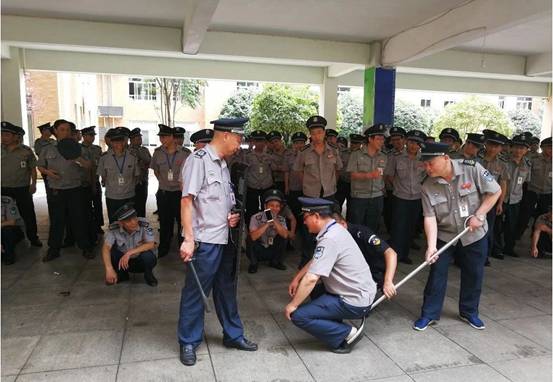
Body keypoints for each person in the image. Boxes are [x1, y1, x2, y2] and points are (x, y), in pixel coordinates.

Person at [178, 117, 258, 367]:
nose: (239, 143)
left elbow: (218, 200)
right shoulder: (198, 161)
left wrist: (231, 215)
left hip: (225, 238)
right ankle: (189, 341)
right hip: (205, 240)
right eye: (238, 138)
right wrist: (188, 239)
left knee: (226, 288)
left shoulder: (223, 164)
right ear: (225, 135)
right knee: (196, 292)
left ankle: (233, 335)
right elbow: (187, 201)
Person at [413, 142, 501, 331]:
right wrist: (430, 247)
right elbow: (429, 218)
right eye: (424, 164)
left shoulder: (472, 169)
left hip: (474, 234)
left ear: (445, 158)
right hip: (445, 235)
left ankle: (469, 312)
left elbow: (495, 192)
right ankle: (429, 314)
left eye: (431, 163)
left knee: (474, 273)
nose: (427, 168)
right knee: (437, 273)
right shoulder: (427, 185)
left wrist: (480, 214)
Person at [286, 197, 378, 353]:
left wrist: (293, 305)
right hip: (360, 292)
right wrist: (297, 278)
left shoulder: (329, 239)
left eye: (306, 218)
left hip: (354, 300)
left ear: (316, 216)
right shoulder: (335, 229)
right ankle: (334, 321)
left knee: (299, 315)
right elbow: (317, 260)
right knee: (313, 292)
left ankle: (348, 333)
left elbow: (312, 278)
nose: (304, 222)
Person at [37, 119, 94, 261]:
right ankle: (53, 249)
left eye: (68, 130)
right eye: (62, 129)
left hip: (75, 189)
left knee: (79, 219)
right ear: (55, 131)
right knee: (57, 220)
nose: (66, 132)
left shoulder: (79, 148)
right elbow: (40, 166)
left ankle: (85, 247)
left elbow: (88, 166)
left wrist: (78, 158)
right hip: (56, 190)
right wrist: (48, 173)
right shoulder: (48, 149)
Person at [293, 115, 342, 267]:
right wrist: (309, 185)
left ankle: (328, 259)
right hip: (310, 196)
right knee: (309, 228)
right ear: (310, 134)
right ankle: (307, 259)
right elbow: (299, 171)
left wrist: (331, 184)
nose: (316, 136)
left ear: (324, 132)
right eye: (313, 133)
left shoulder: (334, 150)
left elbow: (337, 169)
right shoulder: (304, 152)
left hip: (329, 194)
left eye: (319, 132)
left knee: (329, 227)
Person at [384, 129, 426, 264]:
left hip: (416, 198)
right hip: (400, 197)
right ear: (407, 142)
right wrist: (398, 186)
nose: (414, 146)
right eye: (412, 142)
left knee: (410, 228)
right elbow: (389, 176)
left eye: (417, 143)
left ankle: (405, 254)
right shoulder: (395, 157)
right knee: (398, 227)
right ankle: (395, 255)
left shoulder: (424, 158)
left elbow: (426, 177)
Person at [331, 212, 398, 294]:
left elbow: (391, 253)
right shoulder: (332, 236)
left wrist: (388, 281)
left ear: (343, 224)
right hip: (350, 271)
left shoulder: (361, 233)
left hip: (372, 272)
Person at [151, 124, 190, 257]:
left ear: (173, 137)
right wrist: (164, 182)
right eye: (160, 137)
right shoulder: (157, 153)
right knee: (165, 221)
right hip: (164, 193)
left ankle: (182, 246)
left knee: (182, 222)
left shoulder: (185, 153)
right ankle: (164, 247)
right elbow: (156, 170)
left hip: (180, 193)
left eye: (165, 137)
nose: (162, 140)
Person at [1, 121, 42, 247]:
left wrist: (33, 184)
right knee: (5, 216)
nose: (3, 137)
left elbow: (32, 169)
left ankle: (33, 238)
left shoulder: (26, 151)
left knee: (27, 214)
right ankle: (11, 239)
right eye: (2, 135)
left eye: (6, 135)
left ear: (15, 136)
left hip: (22, 189)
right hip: (3, 189)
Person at [102, 203, 158, 286]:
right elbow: (105, 248)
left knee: (149, 256)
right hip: (123, 262)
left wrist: (129, 253)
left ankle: (148, 274)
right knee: (112, 252)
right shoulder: (114, 228)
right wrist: (109, 269)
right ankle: (122, 275)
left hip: (140, 261)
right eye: (128, 221)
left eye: (134, 218)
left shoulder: (144, 223)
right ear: (121, 223)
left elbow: (151, 244)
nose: (134, 222)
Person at [346, 124, 387, 231]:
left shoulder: (383, 156)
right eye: (378, 139)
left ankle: (369, 248)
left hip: (377, 197)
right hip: (359, 197)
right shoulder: (356, 155)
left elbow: (384, 176)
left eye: (383, 139)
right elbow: (352, 175)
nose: (381, 142)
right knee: (357, 228)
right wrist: (368, 175)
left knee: (372, 228)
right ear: (370, 139)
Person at [97, 127, 140, 222]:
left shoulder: (132, 157)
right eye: (114, 141)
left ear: (124, 142)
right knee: (114, 223)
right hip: (112, 197)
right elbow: (103, 177)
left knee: (129, 224)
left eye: (120, 141)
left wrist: (129, 187)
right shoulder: (104, 158)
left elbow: (136, 176)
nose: (117, 144)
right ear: (111, 143)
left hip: (128, 197)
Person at [479, 130, 509, 264]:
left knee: (487, 230)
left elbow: (503, 184)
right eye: (490, 145)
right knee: (468, 228)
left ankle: (484, 256)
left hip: (490, 202)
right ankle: (463, 256)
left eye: (496, 146)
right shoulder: (476, 158)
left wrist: (500, 203)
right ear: (485, 144)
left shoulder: (502, 163)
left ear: (501, 148)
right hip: (473, 199)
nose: (492, 148)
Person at [499, 135, 532, 258]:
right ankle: (496, 249)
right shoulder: (502, 161)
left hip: (516, 198)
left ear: (526, 150)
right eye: (517, 147)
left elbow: (525, 182)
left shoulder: (527, 164)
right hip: (500, 198)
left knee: (511, 225)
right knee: (497, 225)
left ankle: (509, 248)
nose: (519, 151)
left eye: (522, 148)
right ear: (511, 148)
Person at [246, 189, 289, 273]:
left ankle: (275, 262)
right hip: (260, 250)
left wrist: (275, 222)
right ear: (265, 206)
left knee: (283, 237)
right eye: (271, 205)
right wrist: (267, 224)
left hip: (272, 249)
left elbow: (285, 235)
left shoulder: (281, 219)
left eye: (277, 206)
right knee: (249, 238)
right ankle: (253, 264)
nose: (274, 208)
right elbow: (253, 237)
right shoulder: (255, 217)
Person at [517, 137, 552, 238]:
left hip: (547, 194)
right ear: (542, 148)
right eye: (549, 147)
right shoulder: (533, 160)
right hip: (531, 192)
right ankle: (516, 237)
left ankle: (537, 242)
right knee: (524, 217)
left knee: (543, 219)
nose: (551, 150)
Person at [243, 130, 275, 225]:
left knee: (268, 209)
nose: (259, 143)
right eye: (256, 141)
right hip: (252, 186)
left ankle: (269, 228)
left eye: (261, 141)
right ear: (253, 142)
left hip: (267, 185)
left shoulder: (270, 156)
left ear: (265, 142)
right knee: (251, 209)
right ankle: (251, 231)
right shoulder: (247, 156)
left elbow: (274, 169)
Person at [81, 126, 104, 234]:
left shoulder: (97, 149)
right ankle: (88, 226)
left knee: (98, 205)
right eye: (90, 135)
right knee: (86, 207)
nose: (92, 137)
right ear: (84, 136)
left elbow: (102, 165)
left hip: (95, 181)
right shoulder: (78, 149)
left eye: (93, 135)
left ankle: (98, 226)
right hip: (83, 183)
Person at [128, 128, 152, 218]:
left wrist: (144, 165)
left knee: (142, 205)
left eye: (140, 138)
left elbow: (151, 162)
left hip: (143, 181)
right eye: (138, 139)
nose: (140, 140)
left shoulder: (144, 150)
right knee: (131, 207)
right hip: (131, 183)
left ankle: (142, 226)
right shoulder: (127, 151)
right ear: (131, 140)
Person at [284, 131, 307, 217]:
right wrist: (286, 186)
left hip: (306, 188)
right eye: (297, 143)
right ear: (293, 144)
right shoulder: (288, 156)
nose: (299, 145)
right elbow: (286, 172)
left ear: (305, 144)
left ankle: (303, 228)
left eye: (301, 143)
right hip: (293, 187)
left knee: (304, 209)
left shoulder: (309, 155)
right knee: (293, 208)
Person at [1, 195, 25, 265]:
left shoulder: (7, 201)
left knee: (7, 230)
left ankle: (9, 256)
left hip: (12, 230)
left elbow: (12, 222)